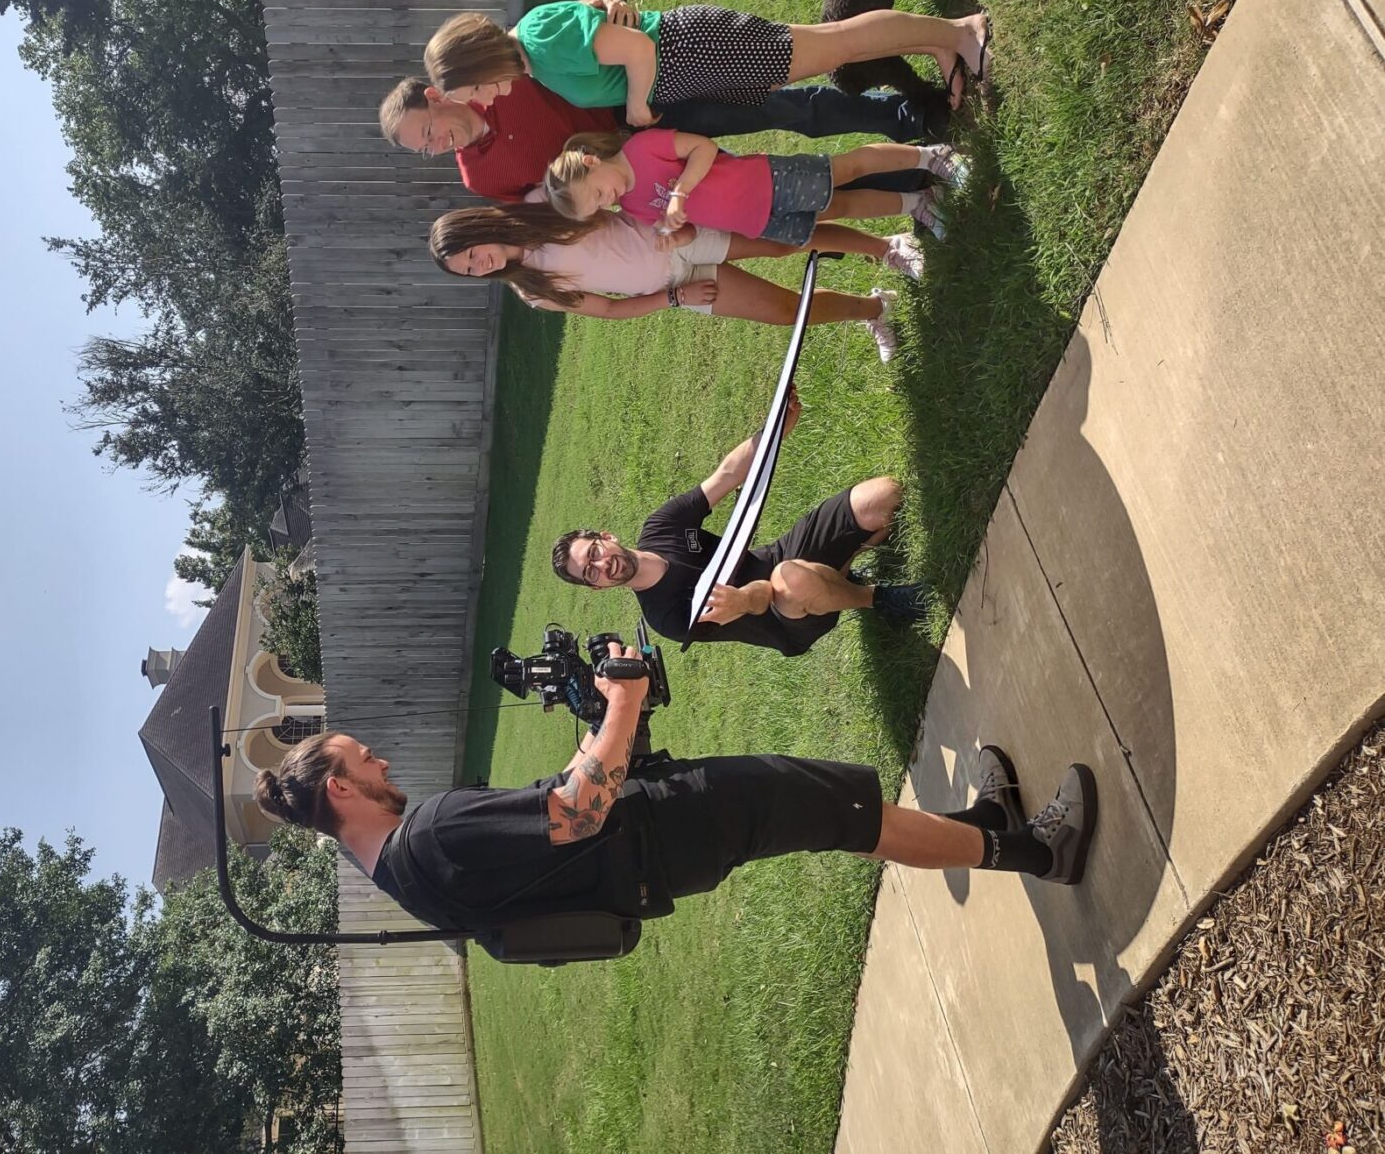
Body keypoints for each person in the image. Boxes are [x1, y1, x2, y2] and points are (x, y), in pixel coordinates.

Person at [251, 662, 1099, 941]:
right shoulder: (431, 833)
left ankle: (985, 823)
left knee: (836, 812)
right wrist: (623, 701)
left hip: (653, 866)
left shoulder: (402, 881)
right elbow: (577, 813)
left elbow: (549, 832)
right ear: (339, 787)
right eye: (363, 758)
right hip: (672, 825)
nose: (381, 758)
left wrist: (602, 734)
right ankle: (1037, 849)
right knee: (846, 815)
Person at [551, 388, 929, 653]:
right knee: (790, 579)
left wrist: (773, 434)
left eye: (594, 552)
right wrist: (744, 598)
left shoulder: (660, 528)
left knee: (883, 496)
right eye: (590, 573)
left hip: (779, 557)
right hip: (781, 618)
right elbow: (761, 597)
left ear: (607, 537)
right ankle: (877, 598)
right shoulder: (666, 616)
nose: (603, 565)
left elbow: (727, 475)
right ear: (596, 588)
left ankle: (840, 574)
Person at [427, 204, 916, 357]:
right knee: (785, 312)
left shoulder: (536, 207)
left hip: (677, 237)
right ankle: (876, 309)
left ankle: (887, 247)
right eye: (469, 271)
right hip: (675, 282)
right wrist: (675, 298)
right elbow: (610, 308)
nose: (480, 265)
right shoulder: (532, 290)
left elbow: (605, 200)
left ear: (477, 228)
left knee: (781, 242)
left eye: (471, 254)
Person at [423, 0, 991, 122]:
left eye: (472, 91)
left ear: (479, 64)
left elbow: (638, 48)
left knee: (838, 44)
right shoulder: (535, 59)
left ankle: (963, 30)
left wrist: (638, 107)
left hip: (695, 48)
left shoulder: (540, 42)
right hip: (696, 64)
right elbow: (596, 14)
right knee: (832, 43)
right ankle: (938, 41)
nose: (481, 102)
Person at [545, 127, 964, 248]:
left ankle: (931, 157)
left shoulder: (641, 148)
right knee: (843, 208)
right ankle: (918, 203)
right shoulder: (633, 208)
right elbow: (688, 228)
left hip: (767, 180)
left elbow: (704, 148)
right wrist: (674, 237)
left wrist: (681, 191)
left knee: (846, 169)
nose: (608, 201)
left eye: (598, 194)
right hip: (758, 222)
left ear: (591, 161)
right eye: (600, 207)